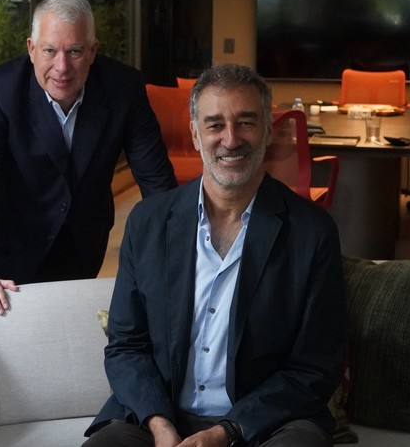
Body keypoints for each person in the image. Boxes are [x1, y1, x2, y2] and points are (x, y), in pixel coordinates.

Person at [83, 64, 346, 447]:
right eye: (215, 125)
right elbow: (126, 345)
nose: (231, 139)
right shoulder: (148, 222)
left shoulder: (312, 231)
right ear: (195, 134)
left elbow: (316, 365)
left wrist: (226, 432)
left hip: (266, 422)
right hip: (157, 418)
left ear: (267, 131)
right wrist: (160, 425)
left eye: (246, 123)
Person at [0, 0, 176, 313]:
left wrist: (176, 259)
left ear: (93, 51)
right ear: (31, 48)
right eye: (49, 51)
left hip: (83, 243)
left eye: (75, 51)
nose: (62, 67)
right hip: (11, 243)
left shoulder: (123, 87)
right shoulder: (0, 89)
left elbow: (156, 181)